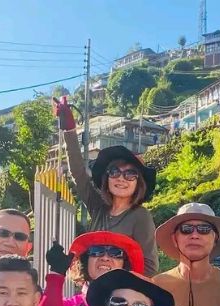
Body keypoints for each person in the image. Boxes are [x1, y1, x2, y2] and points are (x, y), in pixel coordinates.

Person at [55, 98, 159, 276]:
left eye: (130, 174)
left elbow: (149, 267)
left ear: (138, 183)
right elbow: (79, 173)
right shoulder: (98, 208)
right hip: (92, 286)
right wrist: (69, 131)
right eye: (114, 172)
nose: (121, 179)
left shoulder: (140, 216)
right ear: (107, 178)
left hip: (120, 294)